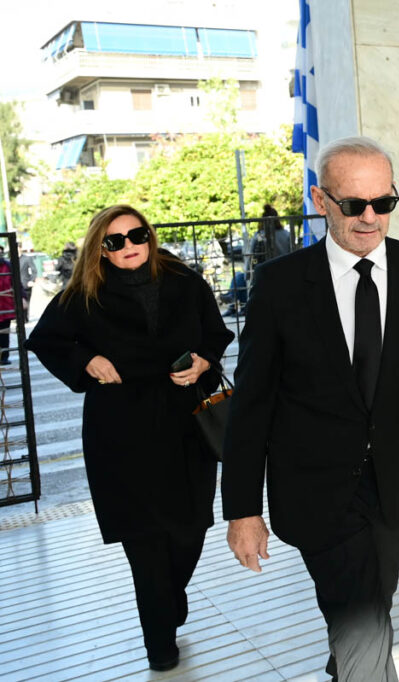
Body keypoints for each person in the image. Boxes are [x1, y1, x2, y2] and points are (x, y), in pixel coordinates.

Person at [221, 136, 399, 682]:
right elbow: (251, 405)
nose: (370, 218)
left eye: (383, 202)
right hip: (314, 489)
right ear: (321, 200)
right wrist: (242, 510)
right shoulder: (279, 285)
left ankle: (346, 662)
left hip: (398, 484)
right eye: (353, 204)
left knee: (367, 606)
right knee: (361, 613)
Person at [24, 205, 234, 671]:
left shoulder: (185, 281)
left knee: (190, 533)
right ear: (101, 249)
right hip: (121, 433)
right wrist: (85, 360)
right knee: (144, 542)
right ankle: (160, 645)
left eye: (136, 235)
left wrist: (203, 362)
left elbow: (215, 334)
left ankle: (170, 600)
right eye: (114, 241)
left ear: (149, 236)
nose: (128, 246)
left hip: (186, 427)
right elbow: (45, 340)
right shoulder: (84, 293)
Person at [0, 246, 17, 365]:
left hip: (5, 305)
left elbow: (16, 283)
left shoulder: (8, 266)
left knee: (4, 333)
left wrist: (22, 298)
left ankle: (4, 356)